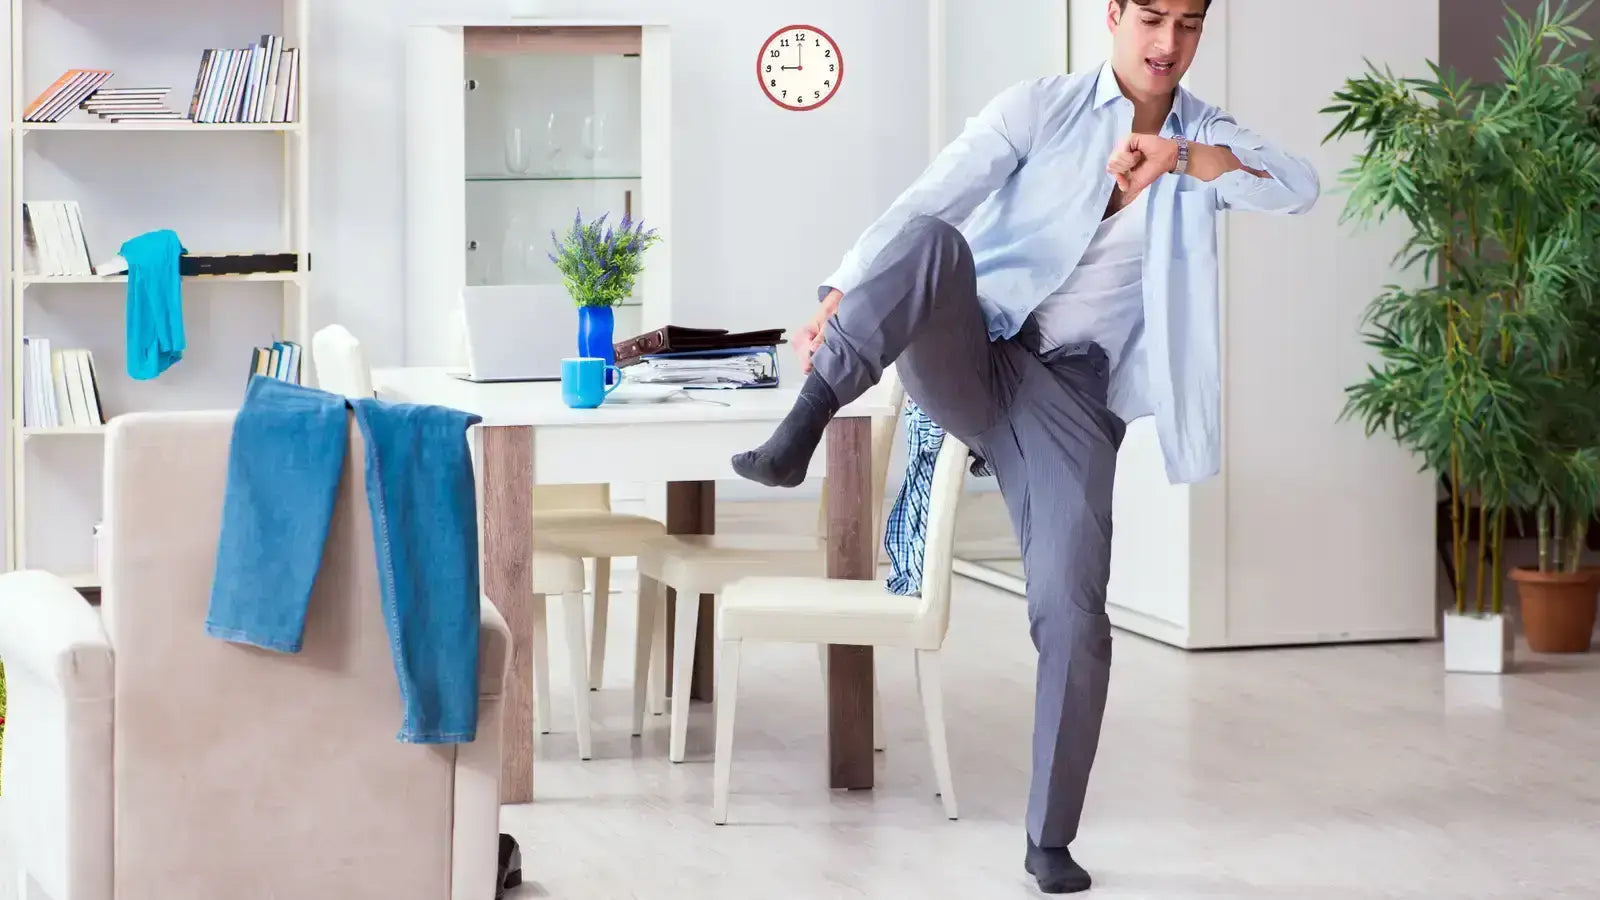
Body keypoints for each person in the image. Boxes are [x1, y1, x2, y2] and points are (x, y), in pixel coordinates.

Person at [731, 0, 1319, 893]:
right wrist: (835, 292)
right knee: (932, 241)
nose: (1167, 43)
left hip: (1073, 401)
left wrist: (1184, 162)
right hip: (975, 349)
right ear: (1114, 14)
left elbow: (1298, 185)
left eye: (1189, 25)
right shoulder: (1039, 107)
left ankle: (1050, 839)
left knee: (1075, 610)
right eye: (1151, 17)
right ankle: (802, 425)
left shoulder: (1210, 139)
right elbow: (930, 198)